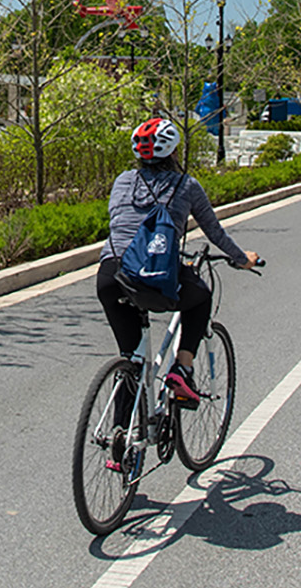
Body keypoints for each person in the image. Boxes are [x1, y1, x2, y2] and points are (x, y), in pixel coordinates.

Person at [99, 117, 260, 404]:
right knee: (201, 297)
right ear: (173, 152)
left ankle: (121, 438)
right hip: (153, 274)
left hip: (111, 274)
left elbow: (121, 225)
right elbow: (214, 232)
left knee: (132, 360)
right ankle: (182, 370)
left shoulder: (122, 180)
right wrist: (242, 258)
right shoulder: (186, 185)